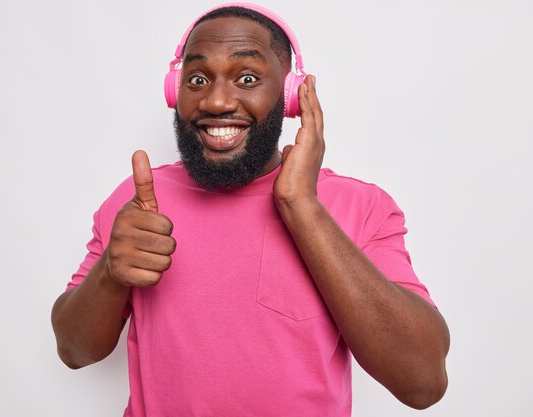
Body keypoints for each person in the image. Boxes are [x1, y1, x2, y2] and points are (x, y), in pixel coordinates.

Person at [51, 4, 450, 416]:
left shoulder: (361, 207)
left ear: (292, 95)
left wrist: (301, 205)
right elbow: (74, 350)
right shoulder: (135, 201)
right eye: (198, 79)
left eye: (247, 78)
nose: (218, 100)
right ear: (175, 91)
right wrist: (110, 274)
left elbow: (422, 383)